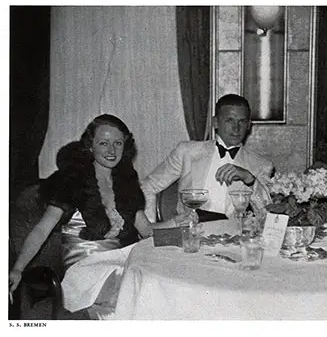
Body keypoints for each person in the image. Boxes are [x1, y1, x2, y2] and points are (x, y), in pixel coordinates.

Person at [9, 114, 152, 318]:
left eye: (117, 143)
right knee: (132, 292)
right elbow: (42, 230)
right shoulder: (72, 179)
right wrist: (17, 268)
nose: (111, 150)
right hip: (84, 268)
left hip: (119, 262)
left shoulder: (126, 180)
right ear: (90, 146)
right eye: (104, 143)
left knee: (150, 285)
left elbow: (146, 230)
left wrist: (180, 224)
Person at [141, 94, 274, 225]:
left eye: (242, 121)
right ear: (215, 122)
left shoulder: (261, 165)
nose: (236, 128)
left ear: (249, 125)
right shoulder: (187, 152)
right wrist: (149, 227)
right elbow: (148, 186)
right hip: (190, 231)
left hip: (233, 237)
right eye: (229, 120)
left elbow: (267, 214)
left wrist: (249, 179)